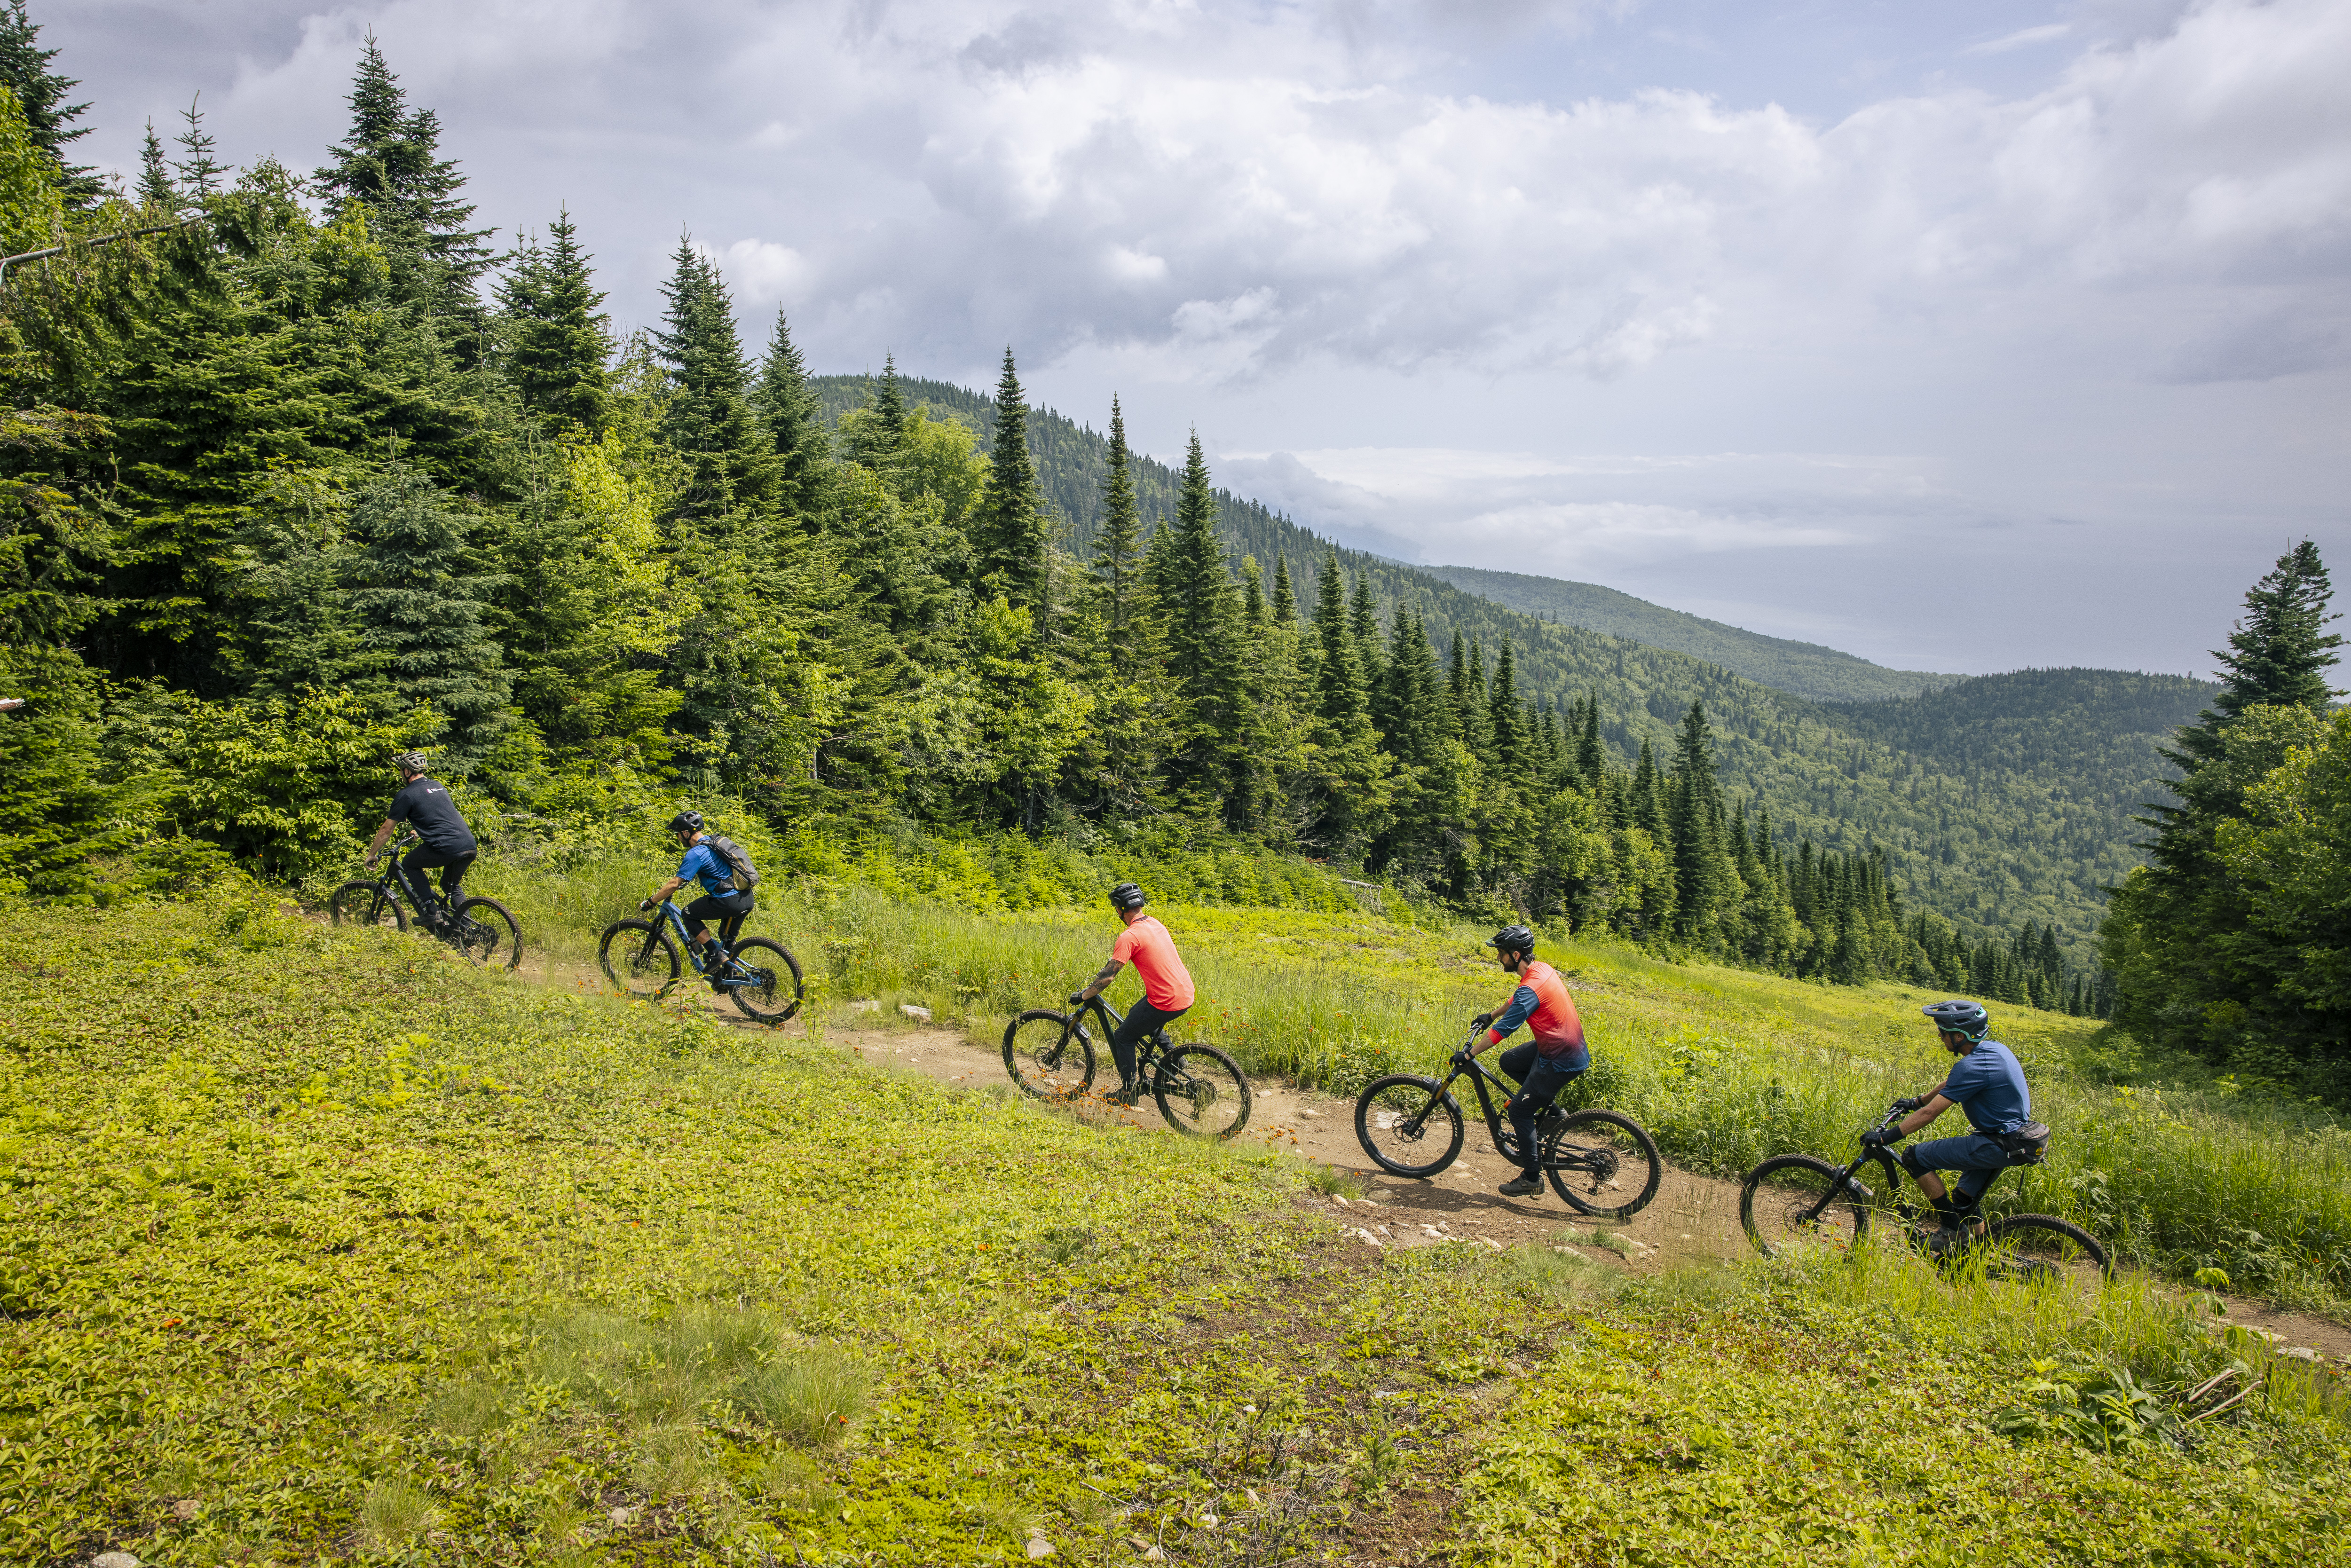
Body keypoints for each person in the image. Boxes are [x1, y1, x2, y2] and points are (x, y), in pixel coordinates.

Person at [1863, 999, 2047, 1252]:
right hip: (2016, 1140)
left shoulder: (1971, 1066)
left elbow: (1930, 1114)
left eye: (1943, 1032)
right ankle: (1973, 1258)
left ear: (1960, 1036)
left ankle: (1951, 1231)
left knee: (1915, 1157)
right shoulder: (1995, 1050)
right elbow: (1952, 1083)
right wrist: (1916, 1101)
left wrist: (1886, 1138)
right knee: (1964, 1198)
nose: (1940, 1036)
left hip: (2000, 1142)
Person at [1465, 924, 1591, 1199]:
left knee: (1519, 1113)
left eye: (1501, 953)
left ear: (1517, 955)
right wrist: (1491, 1014)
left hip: (1561, 1058)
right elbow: (1519, 997)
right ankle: (1554, 1115)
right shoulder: (1541, 969)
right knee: (1510, 1061)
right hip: (1560, 1046)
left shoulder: (1531, 988)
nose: (1499, 958)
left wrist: (1470, 1054)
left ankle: (1532, 1178)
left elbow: (1502, 1031)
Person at [1068, 882, 1195, 1106]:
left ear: (1119, 909)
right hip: (1184, 992)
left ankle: (1129, 1092)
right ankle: (1175, 1061)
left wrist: (1085, 995)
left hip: (1165, 999)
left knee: (1123, 1037)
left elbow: (1108, 976)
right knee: (1136, 1014)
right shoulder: (1155, 924)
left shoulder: (1130, 936)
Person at [364, 752, 477, 926]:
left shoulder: (407, 794)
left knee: (409, 863)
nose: (400, 774)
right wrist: (418, 831)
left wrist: (373, 854)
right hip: (468, 844)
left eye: (401, 770)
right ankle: (467, 931)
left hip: (446, 847)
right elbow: (438, 814)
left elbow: (387, 829)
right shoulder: (438, 786)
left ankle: (431, 911)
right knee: (450, 887)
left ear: (408, 772)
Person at [641, 810, 751, 973]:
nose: (678, 838)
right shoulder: (715, 843)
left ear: (686, 833)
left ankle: (715, 954)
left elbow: (674, 884)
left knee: (688, 914)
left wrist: (650, 902)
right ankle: (727, 979)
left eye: (678, 834)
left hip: (729, 901)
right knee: (727, 942)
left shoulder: (696, 853)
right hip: (746, 898)